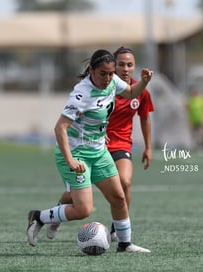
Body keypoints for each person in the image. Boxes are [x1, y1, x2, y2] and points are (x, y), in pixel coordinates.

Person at [26, 49, 153, 253]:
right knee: (83, 209)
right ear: (91, 70)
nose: (108, 78)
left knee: (119, 198)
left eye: (111, 73)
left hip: (99, 151)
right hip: (77, 155)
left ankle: (125, 244)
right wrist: (70, 161)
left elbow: (130, 93)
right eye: (103, 73)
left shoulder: (112, 82)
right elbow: (60, 128)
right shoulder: (81, 95)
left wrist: (144, 82)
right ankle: (38, 217)